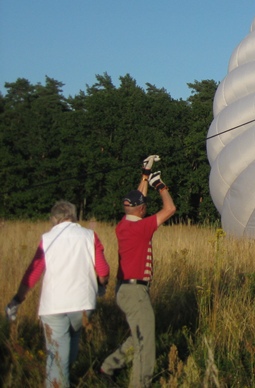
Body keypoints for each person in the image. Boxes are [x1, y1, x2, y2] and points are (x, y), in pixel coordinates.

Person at [5, 200, 110, 387]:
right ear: (74, 216)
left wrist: (17, 299)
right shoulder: (89, 235)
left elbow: (33, 273)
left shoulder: (48, 239)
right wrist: (102, 286)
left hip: (54, 306)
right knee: (68, 353)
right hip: (83, 305)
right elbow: (103, 270)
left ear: (54, 219)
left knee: (57, 359)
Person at [99, 155, 176, 387]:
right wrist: (160, 185)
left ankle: (108, 367)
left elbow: (138, 198)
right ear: (142, 210)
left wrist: (145, 174)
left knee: (138, 334)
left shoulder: (122, 225)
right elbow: (170, 208)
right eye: (145, 206)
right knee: (145, 342)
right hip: (136, 292)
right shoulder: (143, 228)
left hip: (123, 289)